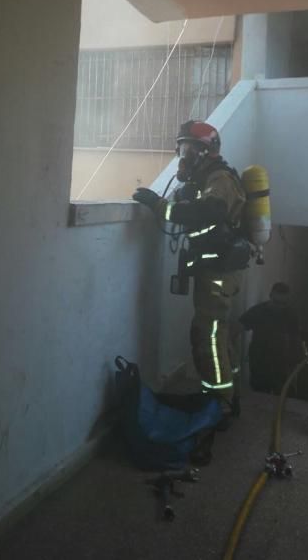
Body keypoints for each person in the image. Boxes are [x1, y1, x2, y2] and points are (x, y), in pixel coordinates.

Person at [132, 120, 248, 415]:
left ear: (206, 151)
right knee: (216, 335)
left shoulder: (219, 178)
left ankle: (219, 404)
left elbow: (210, 211)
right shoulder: (204, 180)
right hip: (214, 271)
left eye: (190, 149)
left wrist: (160, 206)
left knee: (207, 337)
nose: (184, 156)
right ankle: (229, 394)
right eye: (182, 148)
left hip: (218, 273)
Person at [239, 283, 304, 395]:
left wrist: (296, 364)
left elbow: (297, 340)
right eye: (276, 302)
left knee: (282, 398)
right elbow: (238, 327)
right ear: (270, 296)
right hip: (260, 363)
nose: (279, 307)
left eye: (283, 304)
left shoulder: (291, 315)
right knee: (259, 396)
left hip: (282, 365)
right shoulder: (258, 312)